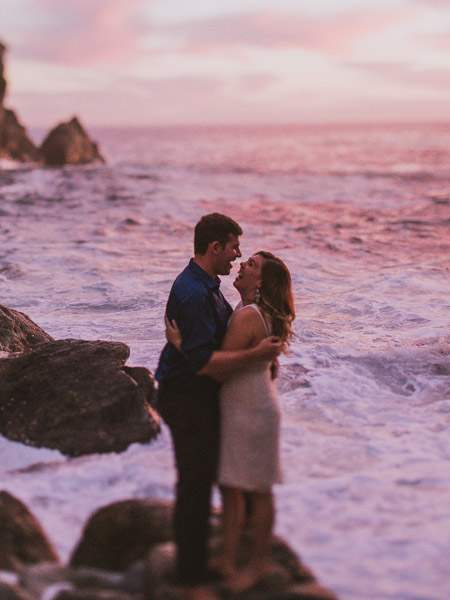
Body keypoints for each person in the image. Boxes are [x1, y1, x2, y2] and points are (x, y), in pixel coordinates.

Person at [155, 214, 284, 600]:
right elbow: (205, 363)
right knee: (196, 486)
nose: (238, 256)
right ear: (215, 248)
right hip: (187, 398)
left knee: (228, 485)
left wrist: (258, 355)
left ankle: (231, 562)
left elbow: (217, 352)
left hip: (214, 399)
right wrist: (257, 355)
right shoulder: (195, 293)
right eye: (233, 248)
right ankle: (193, 580)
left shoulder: (209, 286)